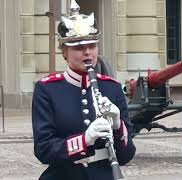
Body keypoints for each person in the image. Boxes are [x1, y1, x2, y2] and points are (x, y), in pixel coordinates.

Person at [32, 1, 136, 179]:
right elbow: (43, 150)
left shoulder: (112, 88)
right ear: (64, 51)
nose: (88, 52)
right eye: (79, 47)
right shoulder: (47, 90)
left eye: (92, 46)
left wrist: (118, 126)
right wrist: (84, 140)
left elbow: (126, 156)